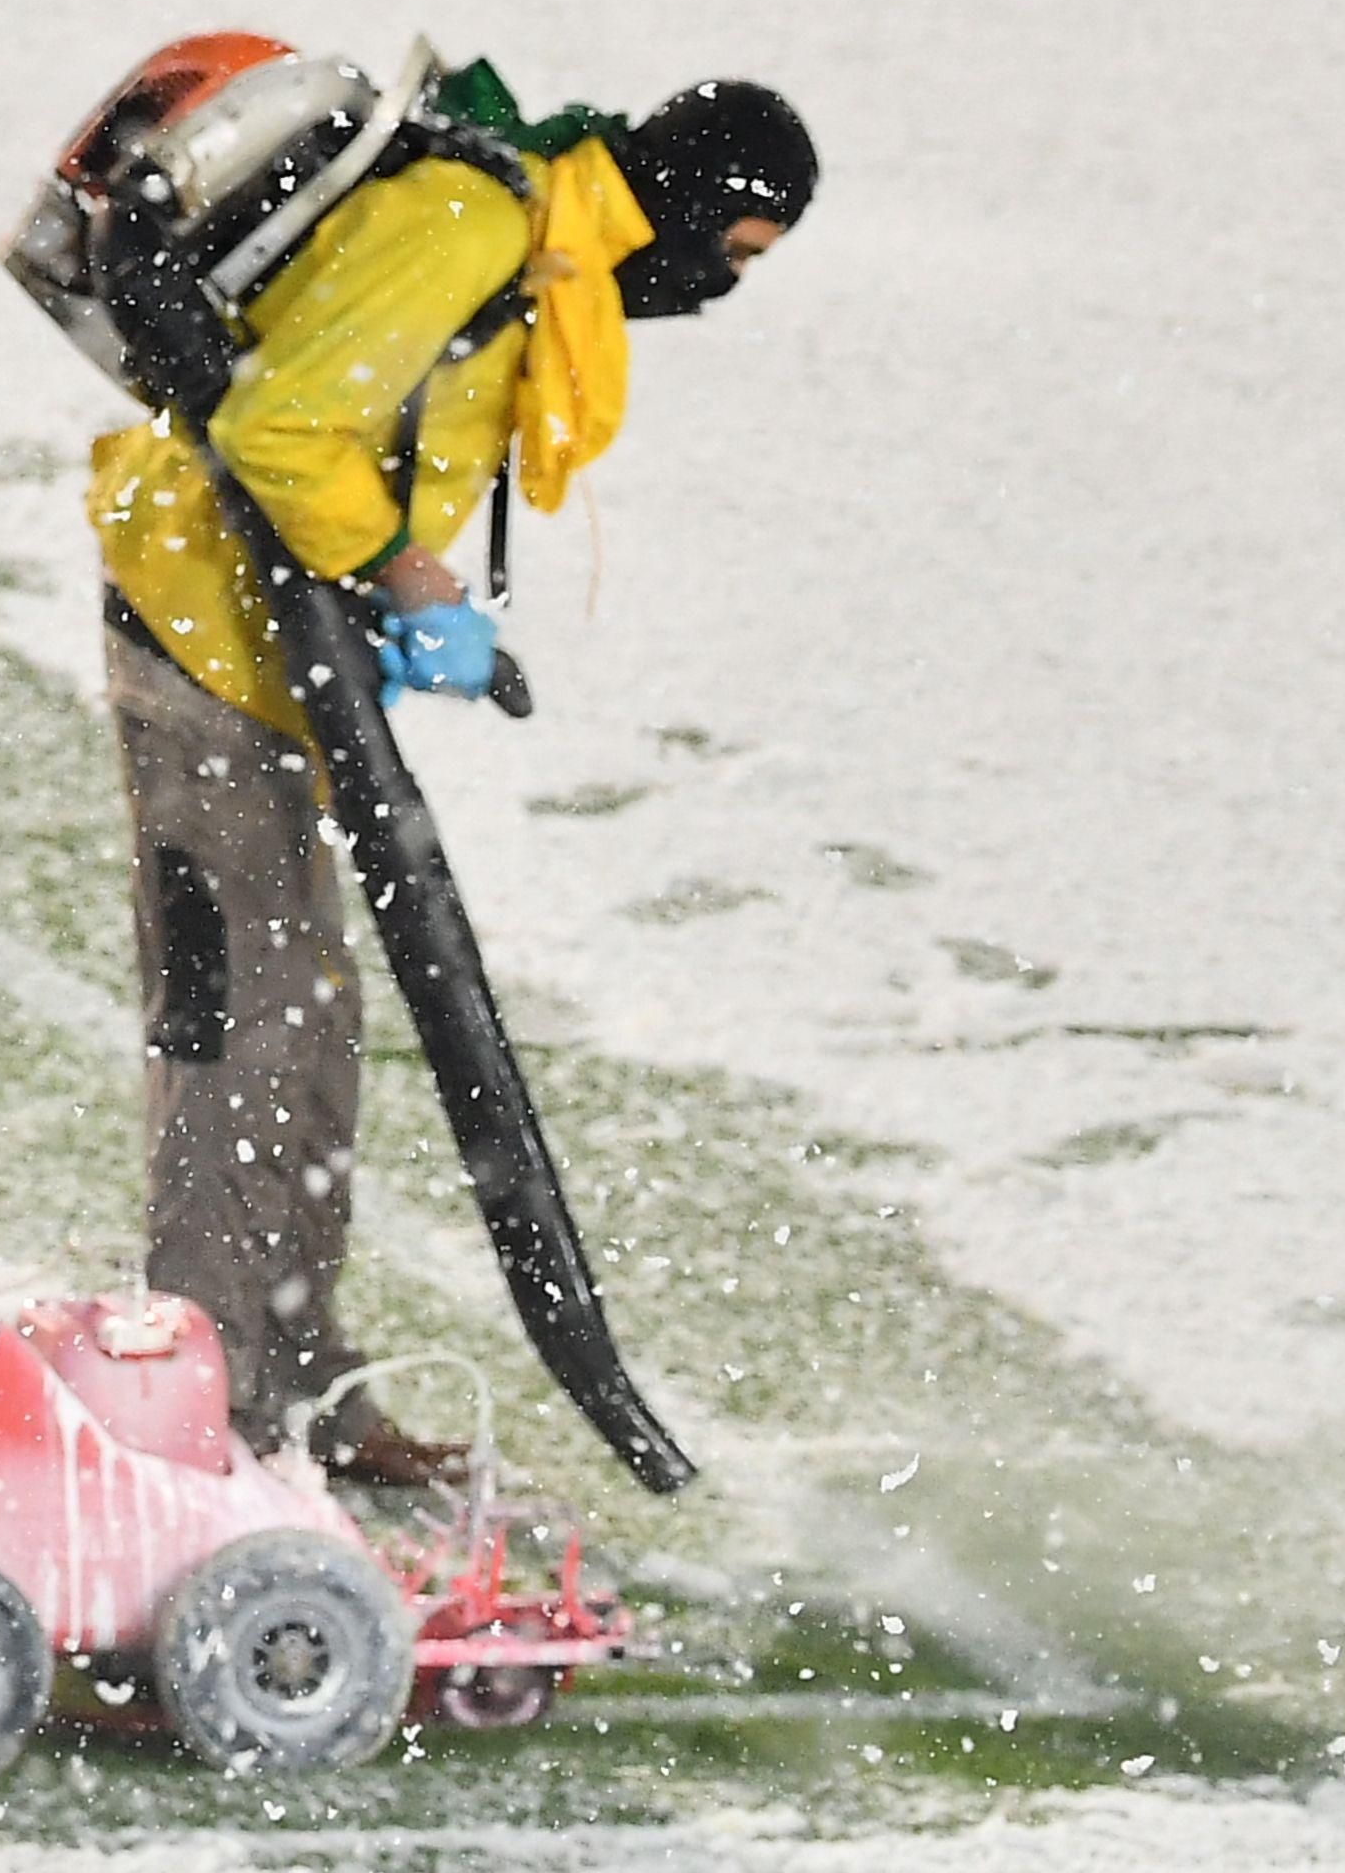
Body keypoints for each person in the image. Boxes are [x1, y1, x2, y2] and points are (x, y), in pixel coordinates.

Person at [86, 77, 817, 1487]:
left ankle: (290, 1391)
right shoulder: (471, 224)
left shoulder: (534, 249)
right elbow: (279, 429)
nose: (717, 291)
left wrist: (395, 609)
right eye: (733, 252)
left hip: (274, 650)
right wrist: (412, 580)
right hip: (203, 634)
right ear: (694, 202)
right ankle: (199, 1431)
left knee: (311, 1016)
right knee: (245, 1025)